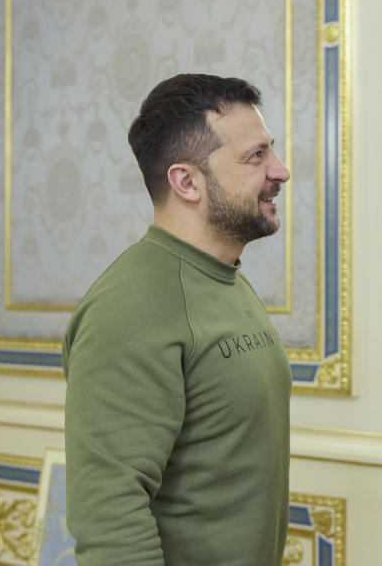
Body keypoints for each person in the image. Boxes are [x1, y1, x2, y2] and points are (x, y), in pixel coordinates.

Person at [63, 74, 292, 565]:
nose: (281, 171)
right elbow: (110, 518)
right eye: (256, 156)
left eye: (271, 150)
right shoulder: (130, 306)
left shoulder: (225, 278)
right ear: (186, 181)